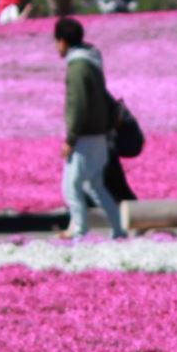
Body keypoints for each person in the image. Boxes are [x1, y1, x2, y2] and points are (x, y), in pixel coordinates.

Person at [54, 17, 125, 240]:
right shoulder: (92, 60)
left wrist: (70, 138)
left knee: (70, 187)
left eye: (56, 41)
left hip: (84, 137)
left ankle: (80, 232)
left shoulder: (77, 67)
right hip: (99, 134)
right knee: (96, 185)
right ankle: (118, 230)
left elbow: (78, 105)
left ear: (63, 41)